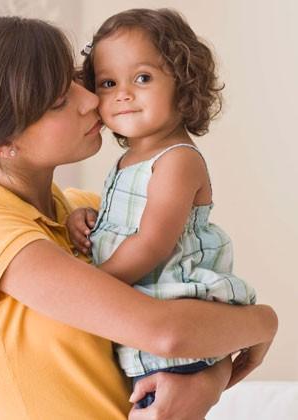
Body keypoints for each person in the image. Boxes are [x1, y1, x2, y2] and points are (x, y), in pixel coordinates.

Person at [0, 16, 277, 420]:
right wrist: (263, 323)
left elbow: (185, 316)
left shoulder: (90, 212)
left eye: (77, 81)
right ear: (4, 141)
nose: (92, 100)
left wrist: (208, 379)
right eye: (60, 101)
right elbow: (168, 332)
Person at [67, 8, 260, 409]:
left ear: (183, 83)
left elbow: (152, 243)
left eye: (142, 78)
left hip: (175, 342)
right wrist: (88, 219)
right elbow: (123, 222)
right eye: (107, 82)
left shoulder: (177, 159)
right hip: (143, 337)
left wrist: (92, 286)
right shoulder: (129, 161)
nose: (122, 93)